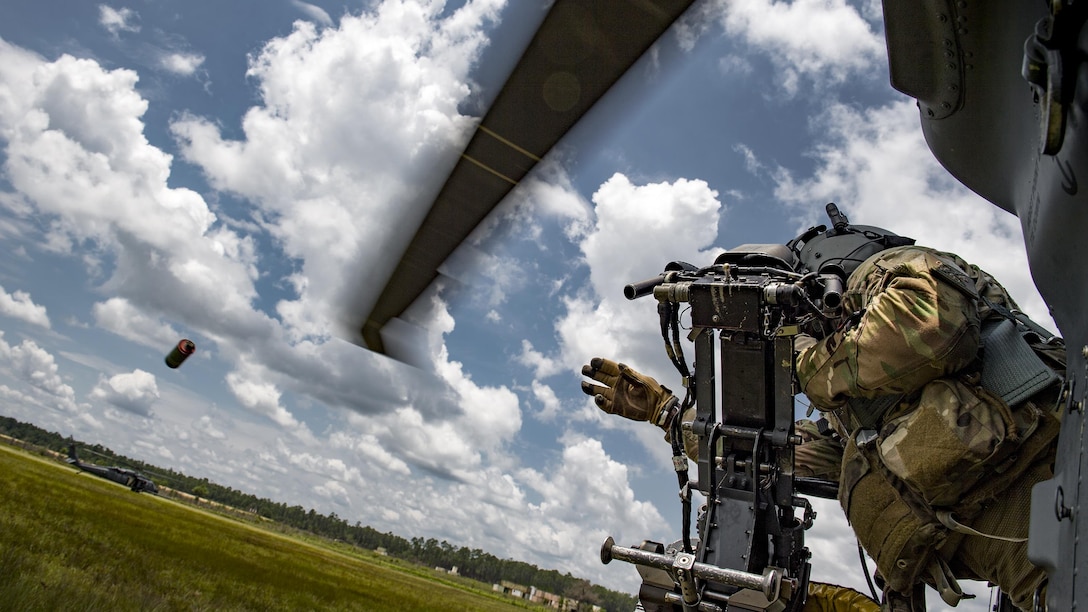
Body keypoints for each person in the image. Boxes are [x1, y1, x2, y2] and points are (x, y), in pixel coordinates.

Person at [581, 217, 1065, 611]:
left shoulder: (890, 268)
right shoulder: (863, 417)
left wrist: (807, 359)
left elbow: (933, 320)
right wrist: (668, 413)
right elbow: (772, 457)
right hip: (1037, 578)